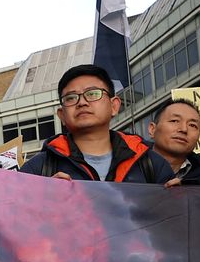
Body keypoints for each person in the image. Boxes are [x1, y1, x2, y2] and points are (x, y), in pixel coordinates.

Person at [21, 64, 173, 183]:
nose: (82, 102)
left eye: (92, 94)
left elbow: (172, 217)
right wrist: (41, 201)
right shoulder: (37, 169)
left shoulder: (150, 163)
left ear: (114, 106)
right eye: (71, 98)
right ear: (62, 115)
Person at [147, 99, 200, 185]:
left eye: (192, 125)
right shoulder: (130, 166)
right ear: (152, 129)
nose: (184, 129)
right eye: (174, 121)